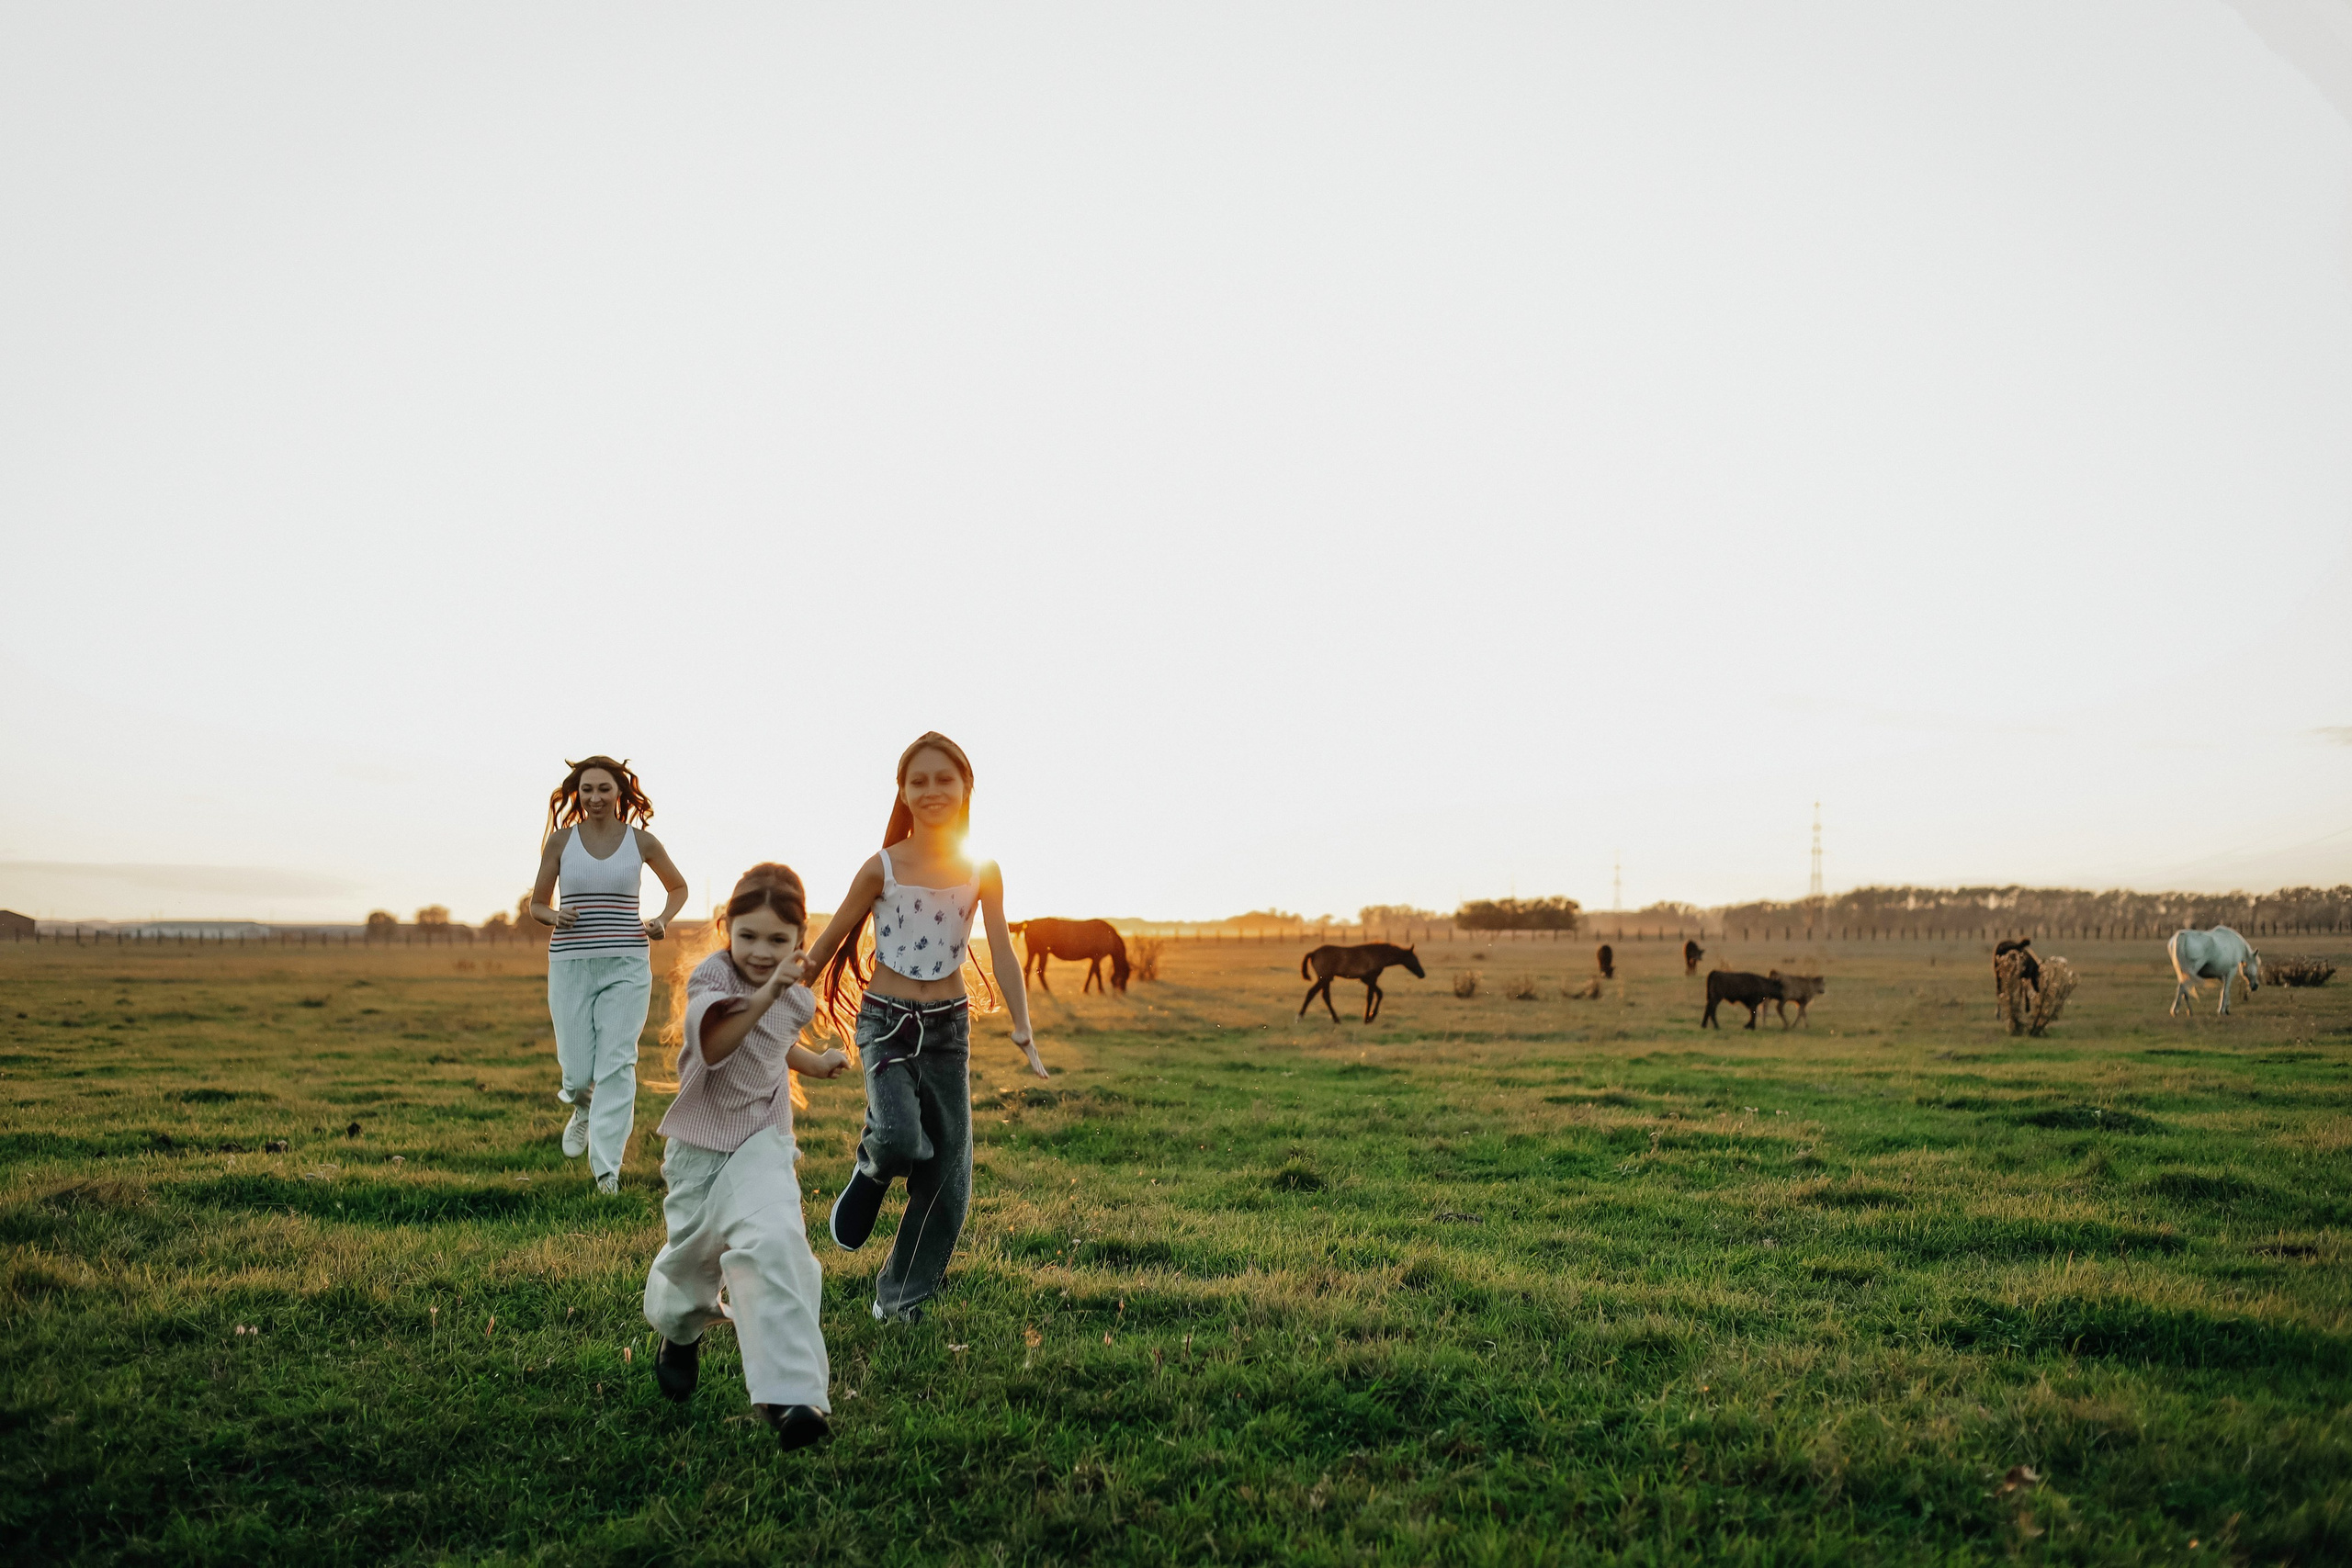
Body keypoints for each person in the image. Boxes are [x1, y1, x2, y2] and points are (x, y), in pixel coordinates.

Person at [802, 731, 1046, 1325]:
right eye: (920, 780)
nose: (932, 789)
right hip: (885, 1022)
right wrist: (768, 997)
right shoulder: (881, 866)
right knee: (897, 1135)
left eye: (945, 778)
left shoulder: (982, 868)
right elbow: (827, 943)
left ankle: (900, 1297)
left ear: (965, 788)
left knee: (947, 1173)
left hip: (947, 1028)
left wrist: (1022, 1024)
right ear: (903, 792)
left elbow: (1003, 950)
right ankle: (872, 1165)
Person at [644, 863, 848, 1452]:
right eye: (749, 936)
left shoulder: (789, 989)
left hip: (762, 1141)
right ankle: (680, 1332)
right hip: (701, 1153)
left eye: (778, 940)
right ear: (726, 928)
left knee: (779, 1247)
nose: (761, 951)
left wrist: (815, 1061)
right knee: (691, 1267)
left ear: (798, 941)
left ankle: (791, 1397)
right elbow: (716, 1045)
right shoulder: (712, 978)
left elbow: (772, 1044)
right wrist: (769, 991)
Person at [528, 755, 688, 1193]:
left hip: (627, 965)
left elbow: (679, 887)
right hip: (571, 965)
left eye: (603, 789)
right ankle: (582, 1108)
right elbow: (536, 904)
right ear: (576, 795)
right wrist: (554, 915)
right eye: (587, 790)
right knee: (578, 1075)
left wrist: (662, 919)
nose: (595, 797)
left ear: (620, 792)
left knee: (618, 1065)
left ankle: (607, 1173)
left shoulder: (642, 842)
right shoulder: (561, 843)